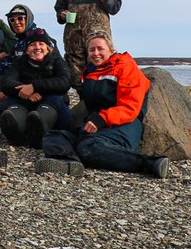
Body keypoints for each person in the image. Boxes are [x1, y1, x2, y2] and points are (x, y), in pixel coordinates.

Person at [35, 31, 169, 178]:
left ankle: (151, 164)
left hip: (124, 125)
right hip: (96, 125)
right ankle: (70, 162)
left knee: (88, 146)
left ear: (111, 50)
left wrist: (102, 118)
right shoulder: (89, 71)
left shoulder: (125, 67)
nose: (96, 53)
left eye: (100, 49)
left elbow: (130, 108)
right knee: (53, 136)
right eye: (92, 50)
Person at [0, 28, 72, 148]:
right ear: (26, 50)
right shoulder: (20, 62)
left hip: (51, 102)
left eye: (41, 44)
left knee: (57, 103)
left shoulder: (57, 61)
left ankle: (39, 131)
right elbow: (6, 82)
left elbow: (65, 82)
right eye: (32, 45)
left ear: (48, 48)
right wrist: (26, 91)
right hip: (26, 100)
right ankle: (17, 134)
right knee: (4, 108)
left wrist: (34, 86)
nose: (37, 47)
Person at [54, 0, 122, 89]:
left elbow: (116, 6)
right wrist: (62, 14)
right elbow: (59, 8)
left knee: (101, 65)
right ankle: (82, 97)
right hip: (74, 39)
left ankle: (102, 95)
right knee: (75, 71)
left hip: (98, 38)